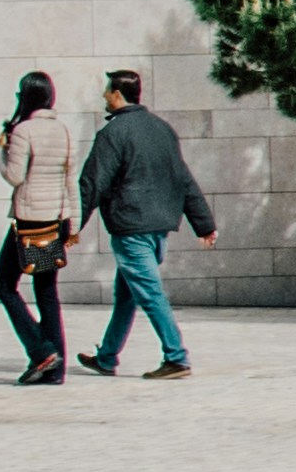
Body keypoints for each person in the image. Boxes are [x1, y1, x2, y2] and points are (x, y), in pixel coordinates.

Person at [75, 66, 219, 379]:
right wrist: (204, 224)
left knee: (150, 294)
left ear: (117, 94)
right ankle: (107, 357)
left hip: (131, 228)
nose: (104, 96)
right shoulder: (162, 129)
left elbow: (92, 183)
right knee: (127, 295)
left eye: (107, 90)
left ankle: (176, 358)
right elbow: (183, 178)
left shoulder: (114, 133)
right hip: (157, 229)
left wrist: (72, 225)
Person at [0, 72, 78, 385]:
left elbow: (14, 176)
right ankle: (55, 369)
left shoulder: (24, 130)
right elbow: (71, 181)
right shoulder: (63, 131)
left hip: (30, 221)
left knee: (4, 285)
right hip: (55, 219)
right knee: (46, 291)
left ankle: (41, 351)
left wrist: (0, 152)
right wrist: (73, 223)